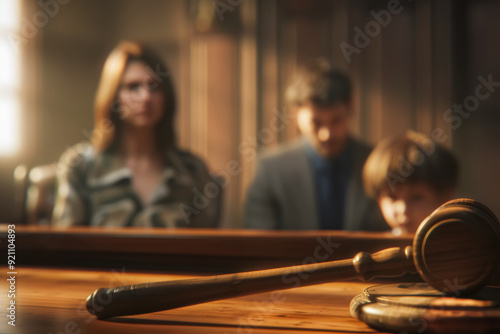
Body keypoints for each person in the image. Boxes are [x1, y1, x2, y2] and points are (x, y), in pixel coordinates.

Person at [52, 41, 220, 227]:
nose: (146, 97)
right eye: (133, 87)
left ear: (166, 97)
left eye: (154, 87)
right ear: (113, 97)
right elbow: (65, 246)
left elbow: (207, 248)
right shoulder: (80, 166)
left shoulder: (192, 170)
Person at [244, 59, 387, 231]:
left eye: (336, 120)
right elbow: (259, 243)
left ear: (351, 108)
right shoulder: (271, 170)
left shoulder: (379, 165)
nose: (327, 134)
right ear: (296, 115)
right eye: (316, 123)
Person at [363, 130, 459, 235]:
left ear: (444, 197)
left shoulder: (457, 247)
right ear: (378, 198)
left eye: (416, 197)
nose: (403, 209)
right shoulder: (376, 248)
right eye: (392, 197)